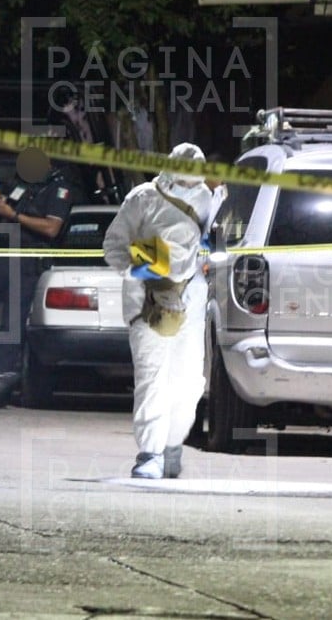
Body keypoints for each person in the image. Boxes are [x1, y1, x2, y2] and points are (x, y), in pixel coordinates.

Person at [102, 142, 215, 479]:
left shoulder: (207, 199)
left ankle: (172, 446)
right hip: (146, 301)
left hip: (189, 299)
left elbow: (207, 241)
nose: (191, 186)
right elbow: (113, 245)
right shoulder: (142, 197)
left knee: (189, 381)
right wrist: (144, 267)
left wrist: (204, 253)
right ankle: (149, 453)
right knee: (153, 379)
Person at [0, 147, 75, 407]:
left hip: (26, 259)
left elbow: (52, 228)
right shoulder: (17, 183)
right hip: (0, 255)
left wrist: (14, 215)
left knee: (11, 325)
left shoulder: (58, 189)